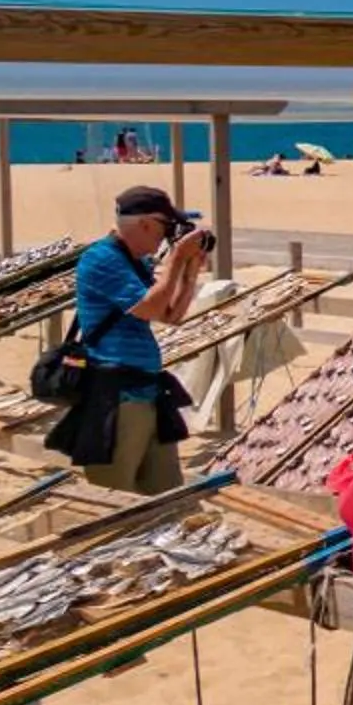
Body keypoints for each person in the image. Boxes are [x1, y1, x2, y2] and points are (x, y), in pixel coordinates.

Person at [45, 185, 211, 491]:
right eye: (167, 227)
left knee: (165, 493)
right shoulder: (101, 259)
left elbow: (171, 315)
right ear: (146, 224)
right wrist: (175, 259)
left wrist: (190, 272)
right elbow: (148, 307)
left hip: (146, 390)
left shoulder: (134, 263)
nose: (168, 236)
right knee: (116, 494)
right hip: (114, 394)